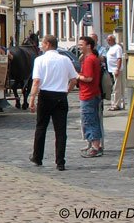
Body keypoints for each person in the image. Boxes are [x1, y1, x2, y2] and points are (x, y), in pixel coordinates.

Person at [29, 34, 78, 171]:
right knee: (61, 131)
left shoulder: (40, 60)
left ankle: (37, 157)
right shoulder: (65, 59)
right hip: (60, 96)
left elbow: (36, 81)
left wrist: (32, 99)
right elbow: (74, 79)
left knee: (41, 127)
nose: (41, 46)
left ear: (48, 44)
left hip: (45, 95)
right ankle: (60, 162)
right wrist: (67, 91)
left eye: (42, 44)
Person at [75, 36, 103, 158]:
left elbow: (89, 78)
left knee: (89, 120)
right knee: (92, 120)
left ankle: (95, 147)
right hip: (92, 93)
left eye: (81, 44)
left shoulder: (89, 60)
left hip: (88, 94)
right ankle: (94, 144)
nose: (79, 46)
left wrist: (77, 76)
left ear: (88, 46)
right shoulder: (91, 58)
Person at [105, 34, 125, 110]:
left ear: (113, 40)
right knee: (113, 88)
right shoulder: (110, 48)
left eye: (109, 40)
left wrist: (117, 69)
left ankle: (117, 104)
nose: (108, 41)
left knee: (117, 88)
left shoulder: (117, 48)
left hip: (116, 70)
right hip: (110, 70)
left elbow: (119, 59)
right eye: (107, 40)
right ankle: (114, 103)